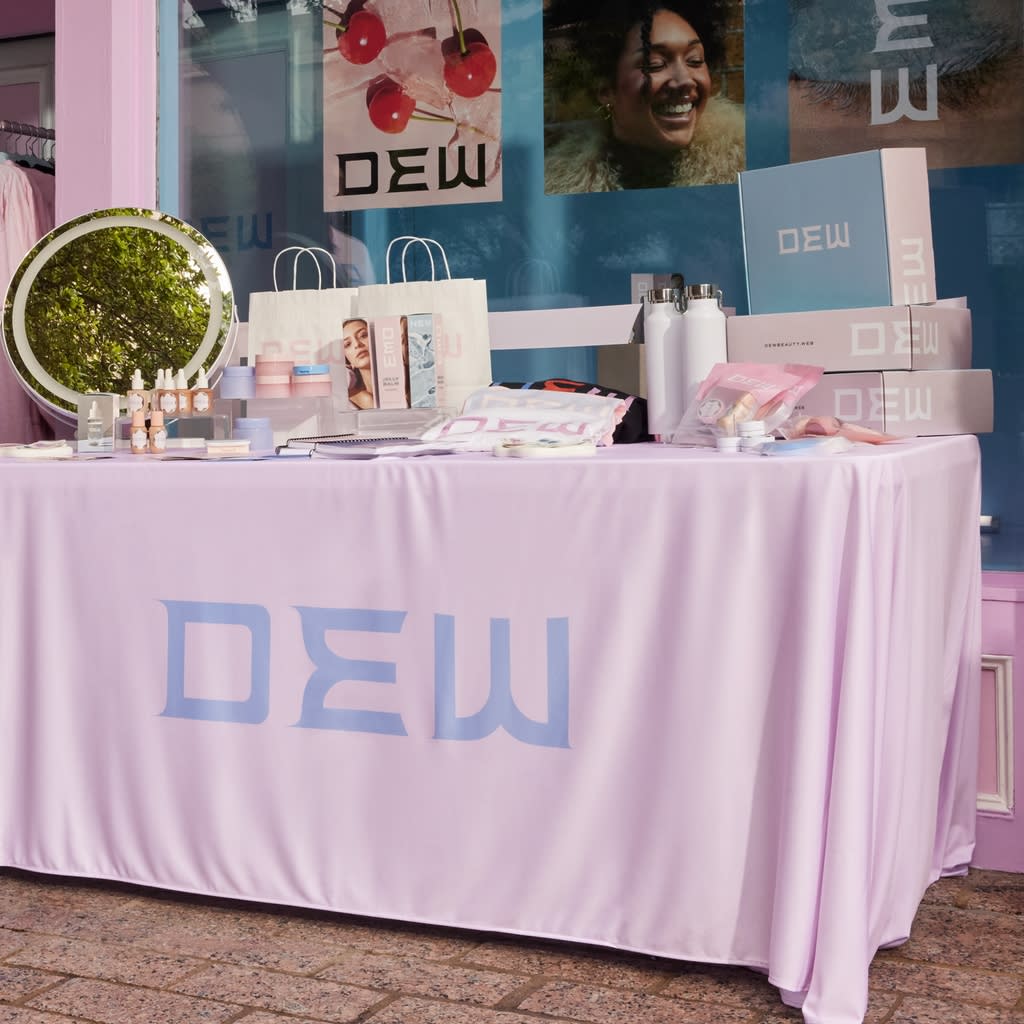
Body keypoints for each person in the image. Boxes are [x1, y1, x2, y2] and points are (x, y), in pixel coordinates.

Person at [544, 0, 745, 193]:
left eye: (694, 61)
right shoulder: (557, 189)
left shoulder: (747, 168)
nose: (684, 80)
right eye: (654, 64)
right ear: (605, 90)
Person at [343, 317, 375, 409]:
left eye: (363, 335)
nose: (357, 344)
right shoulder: (347, 401)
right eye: (347, 344)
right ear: (347, 360)